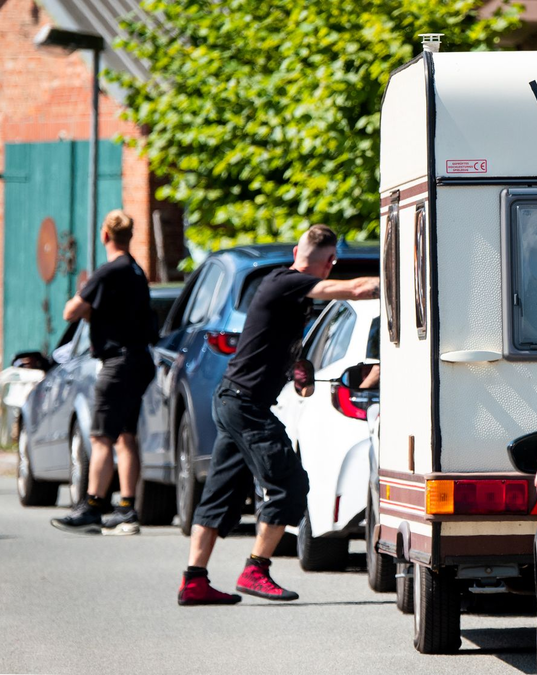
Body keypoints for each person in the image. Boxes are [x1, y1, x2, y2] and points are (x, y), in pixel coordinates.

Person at [178, 226, 380, 606]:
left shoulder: (286, 291)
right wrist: (402, 281)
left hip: (234, 401)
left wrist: (298, 366)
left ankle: (194, 580)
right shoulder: (287, 282)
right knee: (290, 486)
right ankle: (256, 568)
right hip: (245, 405)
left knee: (220, 494)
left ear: (295, 249)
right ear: (330, 260)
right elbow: (354, 289)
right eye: (331, 262)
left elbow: (275, 342)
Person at [51, 210, 157, 536]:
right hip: (139, 360)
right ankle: (126, 508)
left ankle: (93, 506)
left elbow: (71, 310)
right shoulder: (137, 271)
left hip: (117, 363)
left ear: (105, 236)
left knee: (100, 437)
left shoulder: (109, 271)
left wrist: (86, 304)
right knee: (126, 436)